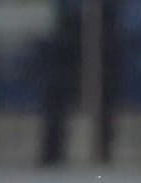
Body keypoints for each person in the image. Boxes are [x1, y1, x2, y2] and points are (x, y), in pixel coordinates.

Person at [41, 0, 120, 166]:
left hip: (105, 22)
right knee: (58, 87)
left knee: (106, 88)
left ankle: (103, 152)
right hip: (69, 24)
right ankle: (52, 153)